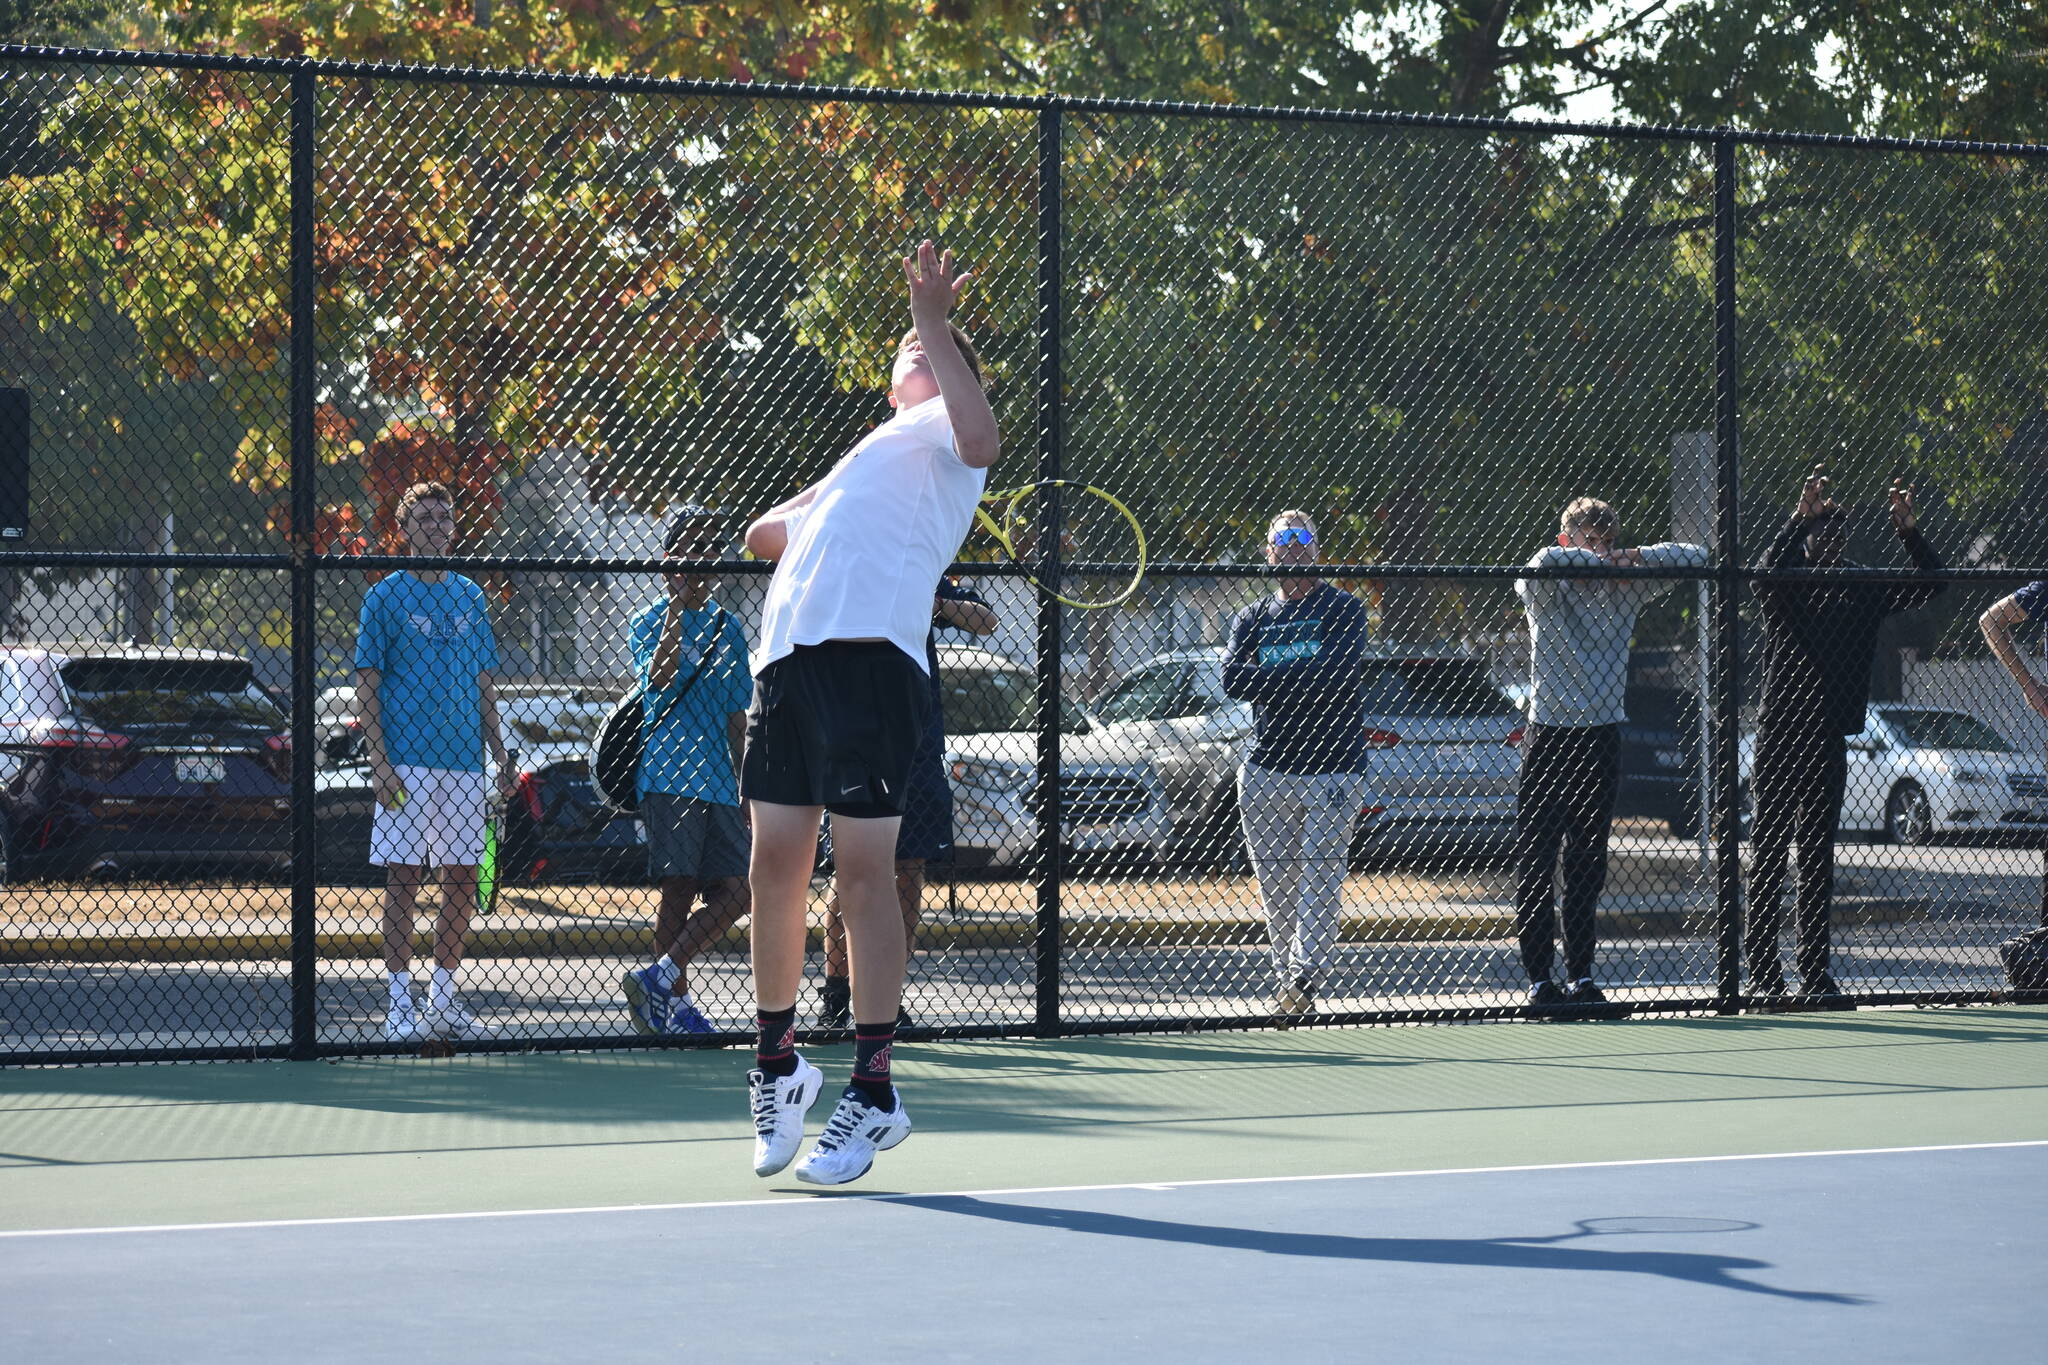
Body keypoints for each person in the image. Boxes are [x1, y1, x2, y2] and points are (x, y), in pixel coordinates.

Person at [737, 239, 1000, 1186]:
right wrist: (820, 500)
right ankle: (777, 1063)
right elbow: (762, 534)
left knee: (862, 876)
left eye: (927, 347)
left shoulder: (943, 440)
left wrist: (936, 319)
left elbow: (983, 441)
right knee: (773, 863)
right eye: (908, 344)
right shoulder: (872, 454)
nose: (912, 348)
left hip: (871, 667)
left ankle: (876, 1087)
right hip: (787, 662)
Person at [1748, 470, 1941, 999]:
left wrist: (1907, 530)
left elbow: (1933, 582)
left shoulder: (1861, 586)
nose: (1830, 542)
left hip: (1830, 735)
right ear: (1809, 539)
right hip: (1782, 731)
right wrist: (1798, 518)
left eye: (1837, 535)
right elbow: (1763, 573)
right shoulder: (1788, 583)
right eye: (1821, 533)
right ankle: (1765, 974)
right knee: (1768, 848)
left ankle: (1815, 974)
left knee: (1817, 855)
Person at [1514, 498, 1706, 1008]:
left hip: (1600, 739)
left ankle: (1580, 976)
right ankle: (1540, 979)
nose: (1598, 550)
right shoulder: (1547, 591)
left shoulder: (1625, 592)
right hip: (1550, 735)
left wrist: (1634, 558)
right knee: (1536, 862)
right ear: (1567, 539)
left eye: (1605, 541)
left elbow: (1695, 556)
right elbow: (1540, 565)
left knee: (1587, 865)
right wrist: (1590, 561)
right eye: (1587, 539)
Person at [355, 481, 511, 1042]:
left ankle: (441, 999)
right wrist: (380, 761)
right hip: (406, 764)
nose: (434, 526)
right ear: (402, 528)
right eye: (422, 518)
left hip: (465, 764)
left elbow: (484, 681)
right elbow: (366, 686)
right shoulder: (385, 597)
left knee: (464, 879)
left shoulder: (470, 595)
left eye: (443, 518)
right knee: (403, 878)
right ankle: (400, 1003)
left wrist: (500, 748)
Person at [818, 576, 998, 1031]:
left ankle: (885, 997)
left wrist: (933, 600)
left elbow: (986, 621)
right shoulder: (855, 557)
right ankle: (836, 998)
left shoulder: (926, 560)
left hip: (917, 748)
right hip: (857, 742)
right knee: (851, 868)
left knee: (909, 869)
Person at [1221, 510, 1370, 1020]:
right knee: (1277, 888)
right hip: (1266, 770)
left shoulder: (1344, 608)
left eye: (1302, 538)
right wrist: (1305, 676)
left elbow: (1338, 674)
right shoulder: (1251, 617)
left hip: (1334, 769)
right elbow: (1234, 682)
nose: (1292, 547)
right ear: (1269, 553)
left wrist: (1274, 676)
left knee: (1321, 878)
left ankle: (1304, 974)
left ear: (1317, 550)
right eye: (1281, 540)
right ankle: (1292, 983)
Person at [619, 507, 755, 1036]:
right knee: (677, 888)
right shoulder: (647, 621)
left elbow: (735, 713)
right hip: (667, 773)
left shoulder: (729, 626)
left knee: (741, 889)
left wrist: (745, 783)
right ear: (670, 562)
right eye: (688, 552)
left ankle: (660, 975)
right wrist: (676, 605)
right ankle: (672, 1006)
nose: (700, 562)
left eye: (708, 550)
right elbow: (658, 679)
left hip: (718, 779)